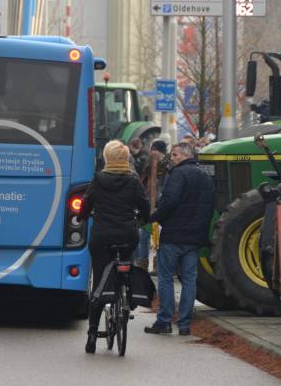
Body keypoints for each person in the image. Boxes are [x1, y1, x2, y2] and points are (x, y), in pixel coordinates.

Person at [78, 140, 150, 354]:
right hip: (128, 235)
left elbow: (85, 204)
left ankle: (92, 334)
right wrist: (143, 219)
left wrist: (83, 216)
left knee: (99, 282)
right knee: (125, 264)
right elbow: (144, 206)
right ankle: (126, 296)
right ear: (126, 158)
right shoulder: (133, 180)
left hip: (102, 237)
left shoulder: (98, 179)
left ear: (107, 158)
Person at [145, 143, 213, 336]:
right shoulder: (205, 176)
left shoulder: (177, 174)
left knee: (165, 278)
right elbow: (209, 206)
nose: (171, 158)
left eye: (174, 155)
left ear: (184, 155)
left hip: (174, 235)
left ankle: (164, 321)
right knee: (190, 280)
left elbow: (170, 201)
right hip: (194, 237)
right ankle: (184, 324)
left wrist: (156, 217)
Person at [138, 139, 169, 272]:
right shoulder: (150, 164)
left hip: (159, 207)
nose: (150, 151)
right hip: (148, 206)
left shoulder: (168, 166)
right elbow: (144, 183)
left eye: (152, 149)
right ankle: (143, 263)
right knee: (143, 235)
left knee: (156, 236)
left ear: (156, 150)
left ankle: (157, 264)